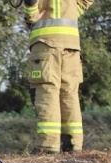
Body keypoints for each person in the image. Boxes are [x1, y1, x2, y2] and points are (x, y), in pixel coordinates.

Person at [23, 0, 92, 154]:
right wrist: (72, 12)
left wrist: (30, 15)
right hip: (71, 44)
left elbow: (31, 7)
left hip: (45, 44)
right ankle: (73, 145)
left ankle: (48, 146)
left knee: (46, 93)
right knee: (69, 94)